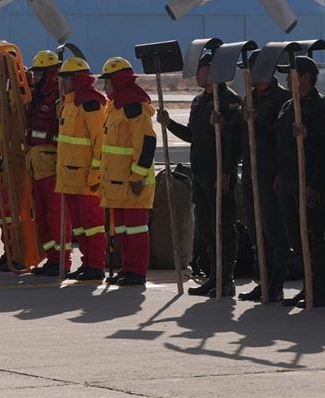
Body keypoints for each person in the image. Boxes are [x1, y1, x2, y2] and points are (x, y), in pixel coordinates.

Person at [158, 51, 242, 297]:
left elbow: (236, 140)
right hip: (200, 173)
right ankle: (214, 277)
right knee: (206, 229)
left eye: (201, 70)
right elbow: (192, 136)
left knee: (223, 228)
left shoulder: (228, 100)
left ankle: (226, 280)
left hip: (219, 174)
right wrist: (169, 124)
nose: (197, 75)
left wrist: (227, 171)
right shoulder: (198, 102)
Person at [272, 56, 325, 308]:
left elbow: (324, 148)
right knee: (296, 238)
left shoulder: (318, 106)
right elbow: (282, 144)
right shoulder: (289, 105)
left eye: (292, 75)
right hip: (288, 180)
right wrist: (279, 174)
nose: (287, 79)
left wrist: (314, 185)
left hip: (307, 182)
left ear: (306, 77)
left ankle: (318, 290)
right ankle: (308, 285)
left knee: (312, 237)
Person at [95, 57, 156, 286]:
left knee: (136, 230)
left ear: (118, 81)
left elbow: (147, 142)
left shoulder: (133, 106)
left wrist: (138, 176)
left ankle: (137, 272)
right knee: (122, 230)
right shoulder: (116, 107)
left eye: (107, 82)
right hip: (117, 183)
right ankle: (127, 268)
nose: (104, 87)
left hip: (133, 183)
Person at [237, 51, 291, 302]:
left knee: (273, 229)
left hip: (270, 173)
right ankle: (263, 281)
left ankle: (276, 283)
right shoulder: (249, 98)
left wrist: (256, 122)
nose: (247, 74)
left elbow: (282, 138)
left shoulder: (282, 99)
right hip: (250, 171)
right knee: (255, 229)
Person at [49, 56, 107, 281]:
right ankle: (87, 262)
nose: (61, 83)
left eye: (65, 78)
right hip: (71, 178)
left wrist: (95, 174)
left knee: (92, 225)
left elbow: (99, 142)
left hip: (87, 179)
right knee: (80, 226)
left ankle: (96, 265)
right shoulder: (68, 103)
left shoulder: (91, 103)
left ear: (77, 79)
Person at [25, 50, 62, 276]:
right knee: (41, 215)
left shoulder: (58, 95)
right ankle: (51, 258)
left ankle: (61, 260)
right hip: (36, 162)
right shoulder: (37, 95)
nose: (35, 77)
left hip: (51, 163)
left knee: (55, 215)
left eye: (39, 73)